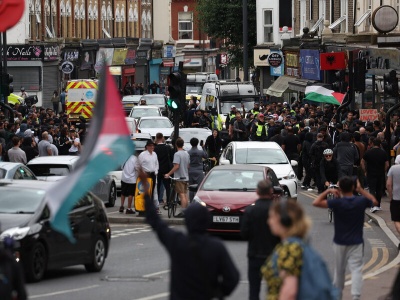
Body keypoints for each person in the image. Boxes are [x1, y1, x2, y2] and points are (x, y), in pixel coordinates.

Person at [143, 170, 240, 299]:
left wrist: (146, 191)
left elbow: (156, 222)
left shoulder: (177, 242)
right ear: (207, 221)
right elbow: (233, 277)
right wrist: (219, 292)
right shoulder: (216, 247)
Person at [313, 176, 378, 300]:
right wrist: (361, 190)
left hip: (339, 242)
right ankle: (355, 296)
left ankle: (337, 295)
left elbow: (315, 203)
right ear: (353, 187)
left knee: (339, 270)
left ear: (340, 188)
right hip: (357, 242)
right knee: (357, 269)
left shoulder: (337, 203)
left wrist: (328, 191)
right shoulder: (361, 201)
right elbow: (374, 202)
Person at [261, 200, 311, 300]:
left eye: (271, 217)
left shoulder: (290, 250)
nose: (268, 221)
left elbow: (290, 293)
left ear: (284, 220)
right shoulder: (292, 245)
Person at [241, 179, 280, 300]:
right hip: (273, 255)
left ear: (257, 191)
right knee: (274, 289)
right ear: (271, 191)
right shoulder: (277, 210)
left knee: (254, 289)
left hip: (255, 254)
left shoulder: (250, 210)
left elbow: (244, 234)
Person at [164, 137, 190, 218]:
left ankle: (183, 212)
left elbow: (176, 166)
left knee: (181, 194)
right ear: (183, 144)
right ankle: (186, 211)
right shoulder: (187, 153)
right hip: (186, 176)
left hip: (179, 177)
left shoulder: (177, 154)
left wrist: (168, 174)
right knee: (185, 194)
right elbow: (188, 166)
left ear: (176, 145)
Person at [361, 138, 389, 212]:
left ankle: (373, 205)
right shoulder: (383, 152)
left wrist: (365, 171)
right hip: (380, 173)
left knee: (372, 189)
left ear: (372, 143)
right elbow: (387, 164)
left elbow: (362, 162)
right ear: (380, 144)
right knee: (379, 189)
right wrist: (384, 171)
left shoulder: (368, 152)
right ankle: (378, 205)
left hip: (371, 173)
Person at [154, 132, 173, 208]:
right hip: (166, 170)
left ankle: (157, 202)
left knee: (157, 187)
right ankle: (168, 202)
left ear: (156, 138)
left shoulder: (155, 149)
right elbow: (171, 158)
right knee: (167, 187)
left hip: (158, 170)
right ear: (162, 138)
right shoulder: (168, 148)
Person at [188, 137, 207, 202]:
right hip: (199, 171)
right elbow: (206, 156)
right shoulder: (200, 152)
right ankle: (197, 202)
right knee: (198, 188)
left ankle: (191, 202)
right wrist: (203, 147)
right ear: (197, 143)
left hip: (191, 170)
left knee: (191, 187)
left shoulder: (188, 152)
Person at [387, 155, 400, 250]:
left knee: (396, 220)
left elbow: (388, 184)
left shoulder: (393, 168)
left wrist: (390, 196)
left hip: (396, 198)